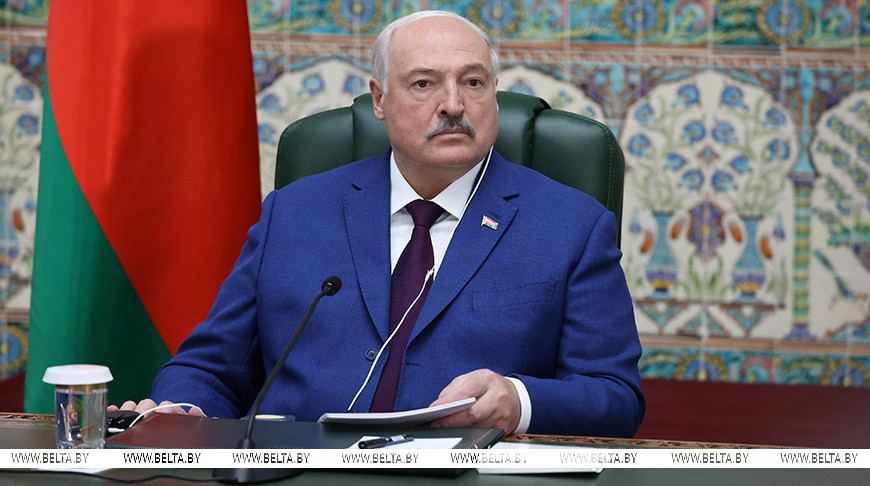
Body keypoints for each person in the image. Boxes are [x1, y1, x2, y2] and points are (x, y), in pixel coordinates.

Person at [111, 10, 644, 437]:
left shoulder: (571, 226)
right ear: (379, 99)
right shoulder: (294, 212)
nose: (453, 104)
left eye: (474, 82)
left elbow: (615, 396)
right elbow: (209, 368)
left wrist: (519, 400)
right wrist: (186, 410)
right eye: (423, 84)